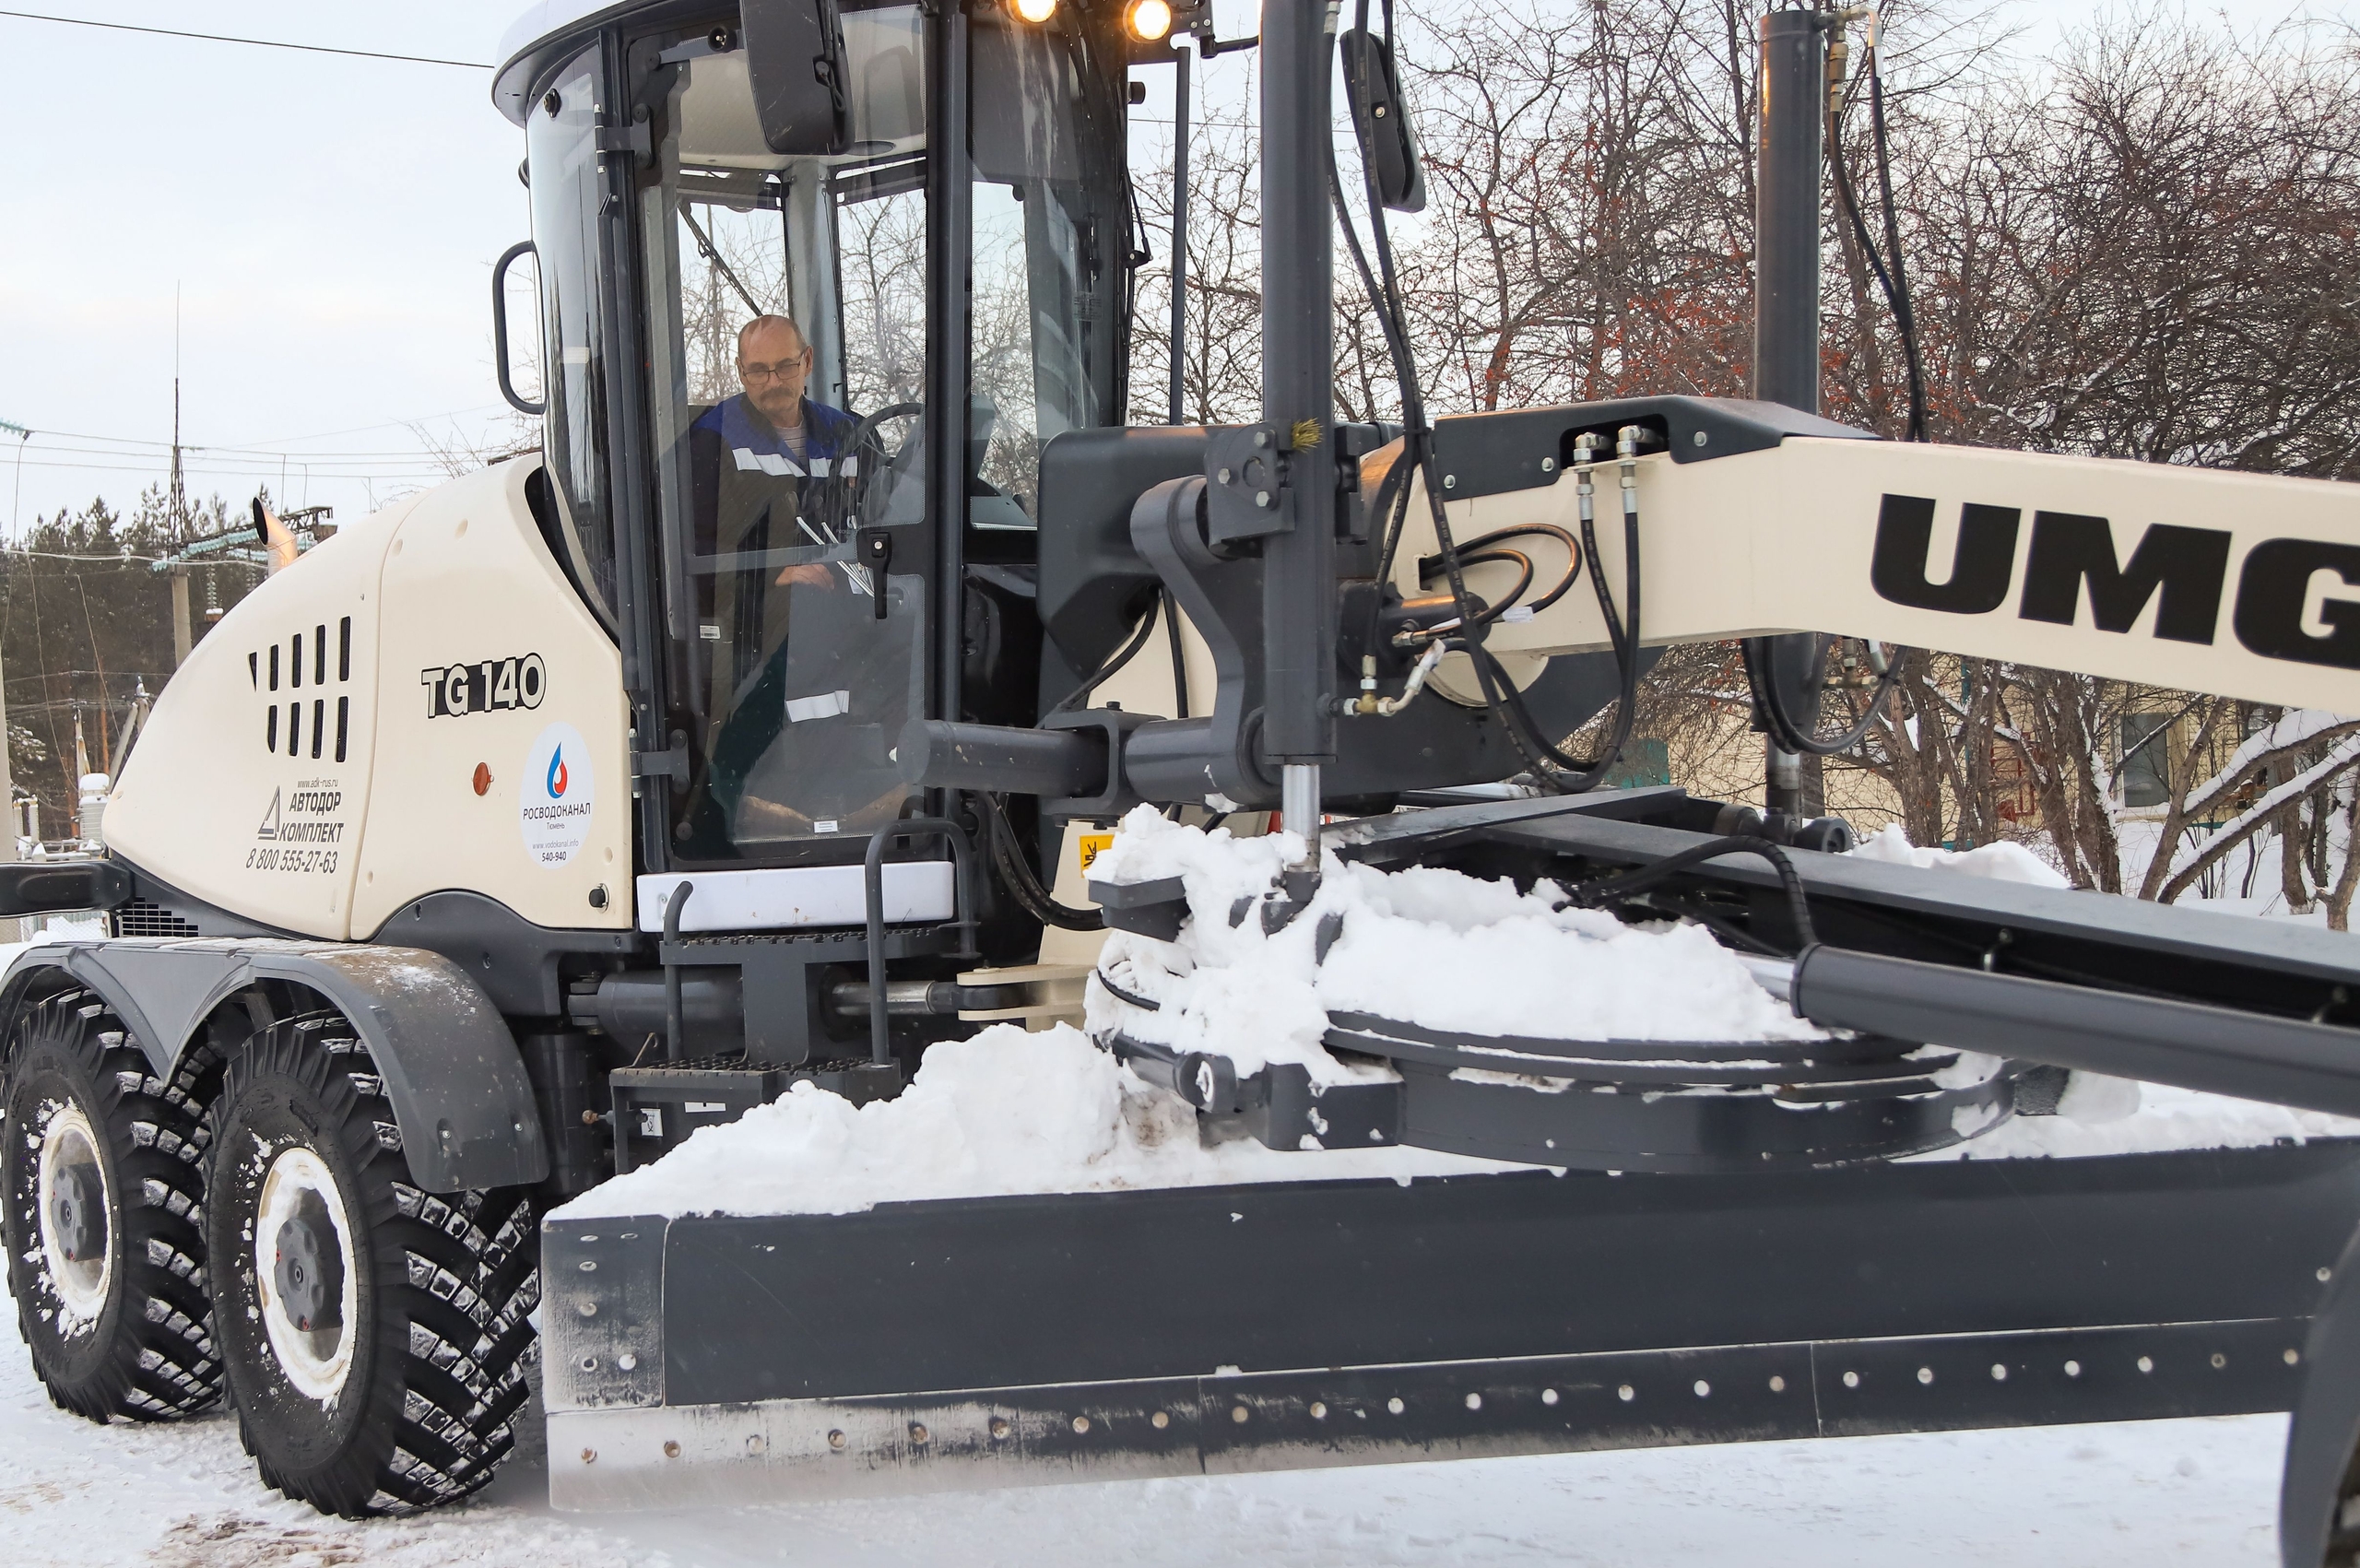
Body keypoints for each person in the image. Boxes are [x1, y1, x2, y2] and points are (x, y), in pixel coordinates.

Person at [689, 313, 861, 592]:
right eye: (758, 371)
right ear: (740, 371)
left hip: (855, 609)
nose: (773, 382)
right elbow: (693, 551)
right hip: (762, 620)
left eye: (785, 366)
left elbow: (888, 518)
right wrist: (771, 576)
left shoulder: (851, 434)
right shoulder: (711, 442)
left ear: (807, 360)